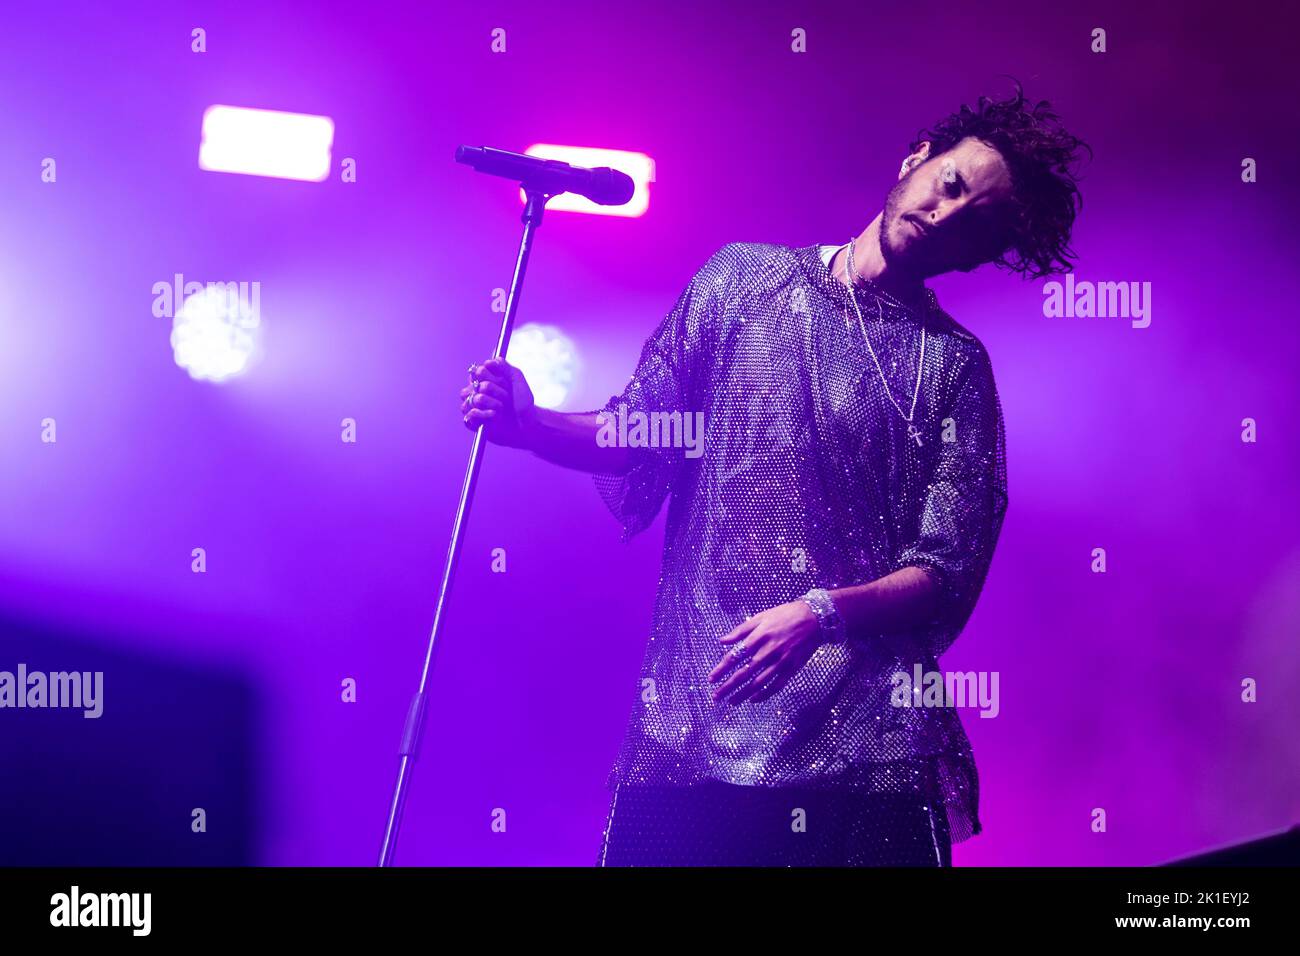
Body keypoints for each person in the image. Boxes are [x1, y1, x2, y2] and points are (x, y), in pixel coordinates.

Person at [459, 83, 1087, 866]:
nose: (945, 214)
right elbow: (645, 432)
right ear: (918, 158)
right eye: (951, 185)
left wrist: (820, 612)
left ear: (977, 255)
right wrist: (531, 426)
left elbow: (947, 571)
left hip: (868, 750)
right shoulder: (740, 282)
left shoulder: (955, 368)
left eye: (977, 222)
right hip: (694, 727)